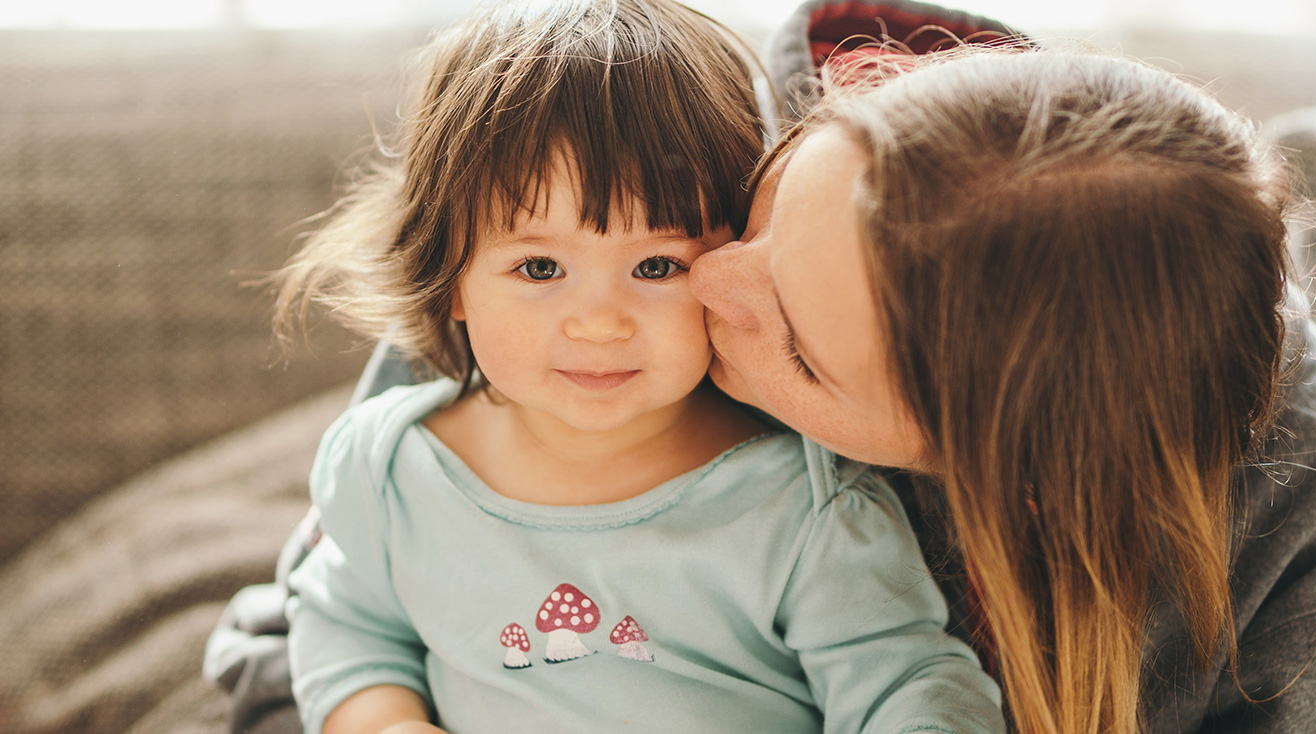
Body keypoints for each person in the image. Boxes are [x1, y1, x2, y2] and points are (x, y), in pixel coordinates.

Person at [269, 1, 1004, 733]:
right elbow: (347, 627)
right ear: (450, 276)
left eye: (656, 265)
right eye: (539, 266)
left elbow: (909, 686)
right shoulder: (387, 469)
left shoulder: (807, 504)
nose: (600, 322)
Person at [688, 41, 1316, 734]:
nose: (707, 276)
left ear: (1016, 482)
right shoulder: (691, 159)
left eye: (801, 354)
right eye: (778, 199)